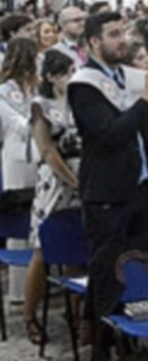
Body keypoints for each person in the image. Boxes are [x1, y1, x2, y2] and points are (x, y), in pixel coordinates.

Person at [66, 11, 148, 359]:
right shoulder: (83, 84)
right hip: (107, 190)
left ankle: (134, 333)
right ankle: (100, 341)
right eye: (113, 34)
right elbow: (111, 134)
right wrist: (147, 95)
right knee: (106, 268)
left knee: (140, 260)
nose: (121, 40)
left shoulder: (128, 76)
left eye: (123, 33)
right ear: (94, 41)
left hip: (139, 185)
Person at [22, 50, 80, 346]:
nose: (70, 78)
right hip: (55, 183)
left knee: (77, 250)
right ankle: (30, 316)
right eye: (64, 73)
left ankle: (77, 315)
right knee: (43, 250)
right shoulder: (40, 106)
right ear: (50, 77)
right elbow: (47, 149)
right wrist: (72, 180)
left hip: (81, 176)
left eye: (72, 71)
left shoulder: (78, 101)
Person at [0, 37, 40, 310]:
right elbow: (18, 124)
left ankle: (41, 280)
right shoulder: (4, 91)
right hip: (17, 157)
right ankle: (18, 290)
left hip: (39, 156)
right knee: (19, 219)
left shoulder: (36, 88)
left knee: (38, 216)